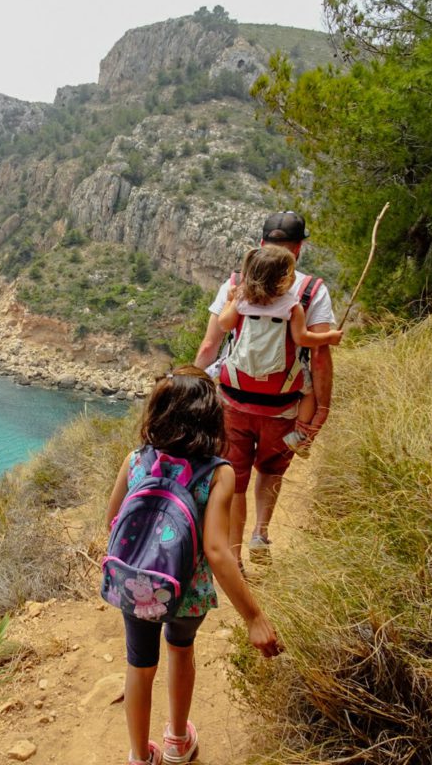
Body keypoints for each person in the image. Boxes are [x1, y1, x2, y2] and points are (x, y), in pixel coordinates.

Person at [105, 365, 282, 765]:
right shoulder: (217, 472)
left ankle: (138, 756)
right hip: (189, 589)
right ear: (211, 417)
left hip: (138, 585)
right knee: (181, 651)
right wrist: (253, 616)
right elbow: (217, 552)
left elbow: (112, 520)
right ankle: (178, 741)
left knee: (139, 666)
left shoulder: (136, 460)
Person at [193, 211, 335, 565]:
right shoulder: (309, 292)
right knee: (271, 469)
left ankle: (235, 554)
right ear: (298, 250)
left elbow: (211, 344)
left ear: (260, 245)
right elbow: (319, 356)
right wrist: (322, 409)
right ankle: (261, 533)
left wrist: (190, 387)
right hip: (284, 405)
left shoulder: (236, 287)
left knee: (234, 479)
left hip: (233, 401)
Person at [217, 244, 342, 456]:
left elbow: (224, 324)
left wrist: (230, 301)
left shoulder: (241, 300)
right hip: (280, 380)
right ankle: (299, 437)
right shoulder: (292, 307)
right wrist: (329, 337)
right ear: (284, 279)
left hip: (241, 373)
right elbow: (302, 338)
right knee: (309, 394)